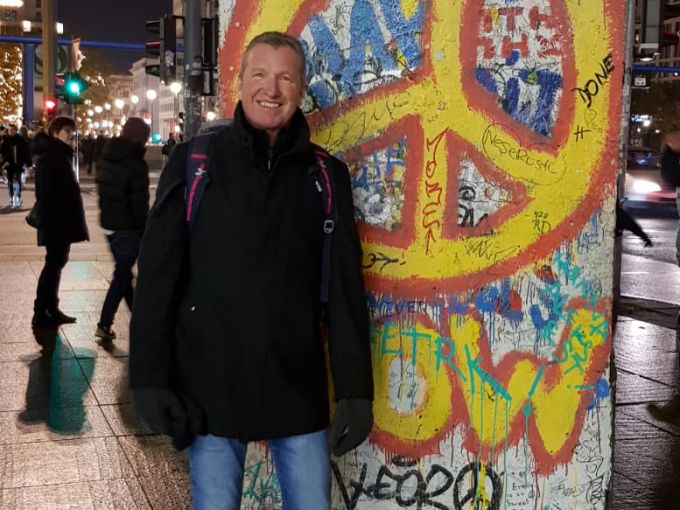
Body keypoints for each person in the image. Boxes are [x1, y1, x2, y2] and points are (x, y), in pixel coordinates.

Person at [129, 31, 373, 509]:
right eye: (259, 75)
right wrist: (149, 378)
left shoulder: (326, 176)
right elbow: (157, 278)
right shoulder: (194, 162)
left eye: (286, 78)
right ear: (239, 83)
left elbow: (346, 291)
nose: (271, 89)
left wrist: (355, 391)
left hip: (296, 386)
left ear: (302, 90)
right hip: (210, 389)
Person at [94, 118, 150, 341]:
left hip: (109, 224)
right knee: (122, 275)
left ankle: (139, 320)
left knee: (124, 273)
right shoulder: (135, 164)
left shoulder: (107, 156)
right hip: (128, 227)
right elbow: (139, 203)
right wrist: (145, 229)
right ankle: (104, 323)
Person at [31, 116, 89, 327]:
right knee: (53, 264)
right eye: (68, 133)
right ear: (55, 133)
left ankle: (50, 308)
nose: (72, 137)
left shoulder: (59, 154)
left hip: (59, 220)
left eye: (73, 134)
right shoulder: (53, 156)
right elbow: (46, 192)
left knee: (56, 263)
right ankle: (41, 311)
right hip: (56, 220)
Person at [1, 124, 31, 208]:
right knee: (10, 181)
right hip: (9, 164)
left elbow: (25, 152)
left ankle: (17, 197)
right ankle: (11, 197)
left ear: (15, 130)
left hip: (18, 163)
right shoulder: (6, 140)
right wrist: (5, 161)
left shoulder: (20, 140)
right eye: (9, 130)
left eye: (12, 130)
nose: (11, 132)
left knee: (18, 180)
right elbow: (3, 152)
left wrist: (27, 163)